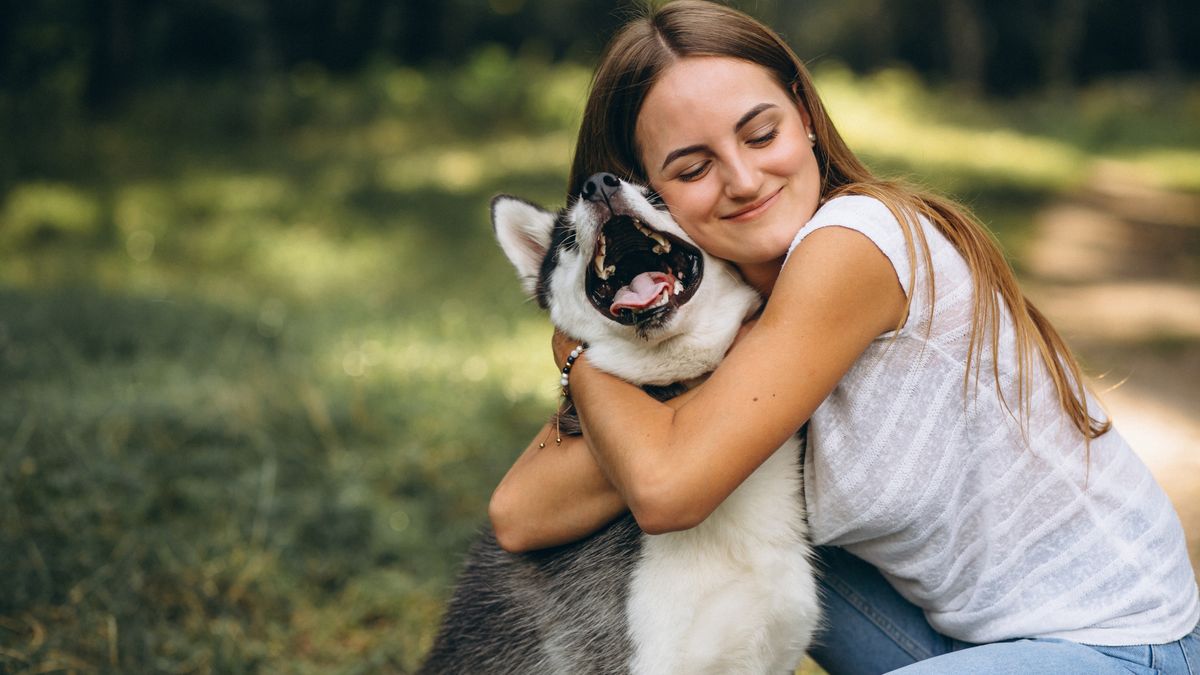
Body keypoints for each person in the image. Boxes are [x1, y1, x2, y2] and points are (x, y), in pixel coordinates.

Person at [487, 1, 1200, 672]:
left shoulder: (853, 245)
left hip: (1116, 646)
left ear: (803, 116)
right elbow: (519, 515)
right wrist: (601, 343)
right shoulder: (722, 312)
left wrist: (577, 345)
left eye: (760, 133)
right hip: (952, 636)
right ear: (651, 199)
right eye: (694, 167)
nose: (741, 178)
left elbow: (667, 488)